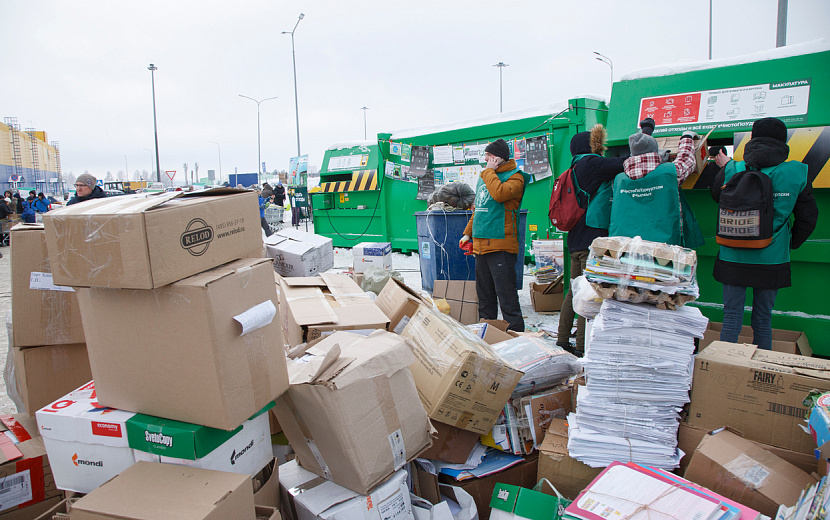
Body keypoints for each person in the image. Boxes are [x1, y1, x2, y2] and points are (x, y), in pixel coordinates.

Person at [710, 117, 818, 350]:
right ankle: (758, 378)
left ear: (752, 139)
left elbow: (717, 197)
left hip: (732, 257)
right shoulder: (796, 172)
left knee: (731, 317)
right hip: (772, 258)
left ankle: (724, 372)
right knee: (762, 319)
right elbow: (808, 218)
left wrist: (728, 167)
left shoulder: (732, 168)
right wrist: (787, 243)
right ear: (783, 141)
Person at [556, 124, 626, 355]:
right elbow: (622, 163)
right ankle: (582, 347)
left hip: (575, 241)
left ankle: (563, 339)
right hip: (591, 242)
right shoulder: (591, 164)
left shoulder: (574, 168)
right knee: (591, 293)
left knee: (574, 291)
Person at [459, 139, 531, 332]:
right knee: (485, 297)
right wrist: (467, 233)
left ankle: (516, 336)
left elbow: (499, 194)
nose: (486, 160)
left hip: (502, 246)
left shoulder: (516, 178)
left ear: (499, 158)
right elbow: (480, 208)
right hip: (482, 245)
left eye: (490, 157)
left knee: (507, 298)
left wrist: (489, 172)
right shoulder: (486, 177)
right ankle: (487, 334)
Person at [608, 128, 703, 247]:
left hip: (626, 247)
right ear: (654, 151)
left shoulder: (619, 180)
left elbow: (643, 176)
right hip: (663, 248)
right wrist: (687, 137)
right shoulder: (669, 172)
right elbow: (686, 160)